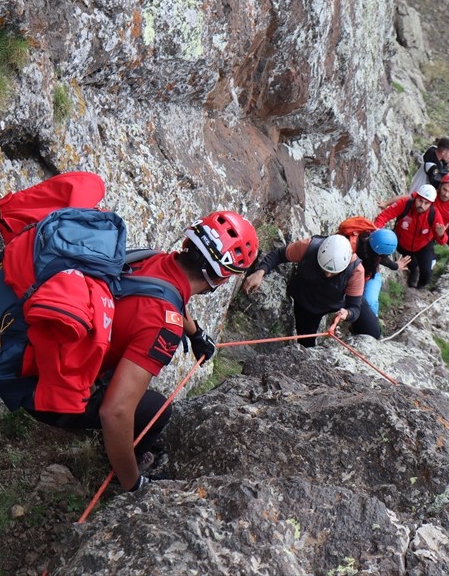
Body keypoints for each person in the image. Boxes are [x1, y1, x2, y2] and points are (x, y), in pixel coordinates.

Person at [27, 211, 259, 494]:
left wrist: (195, 333)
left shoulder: (149, 259)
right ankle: (128, 463)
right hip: (40, 391)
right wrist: (134, 484)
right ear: (221, 279)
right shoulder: (163, 325)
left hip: (35, 344)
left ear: (188, 244)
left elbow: (166, 293)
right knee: (155, 410)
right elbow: (115, 412)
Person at [241, 233, 378, 345]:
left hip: (339, 301)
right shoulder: (308, 247)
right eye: (324, 269)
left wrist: (347, 314)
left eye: (333, 272)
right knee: (306, 345)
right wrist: (260, 272)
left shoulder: (355, 270)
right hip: (308, 301)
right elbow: (279, 254)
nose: (328, 274)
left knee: (372, 332)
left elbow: (354, 307)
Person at [374, 184, 447, 289]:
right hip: (403, 242)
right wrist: (376, 231)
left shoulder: (434, 214)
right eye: (420, 201)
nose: (422, 205)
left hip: (423, 245)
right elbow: (384, 216)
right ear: (415, 197)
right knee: (412, 264)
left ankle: (420, 288)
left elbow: (443, 241)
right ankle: (413, 272)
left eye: (426, 203)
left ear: (431, 204)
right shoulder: (405, 204)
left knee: (426, 273)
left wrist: (441, 235)